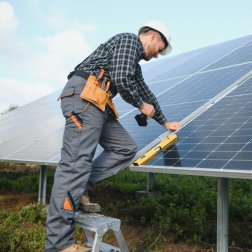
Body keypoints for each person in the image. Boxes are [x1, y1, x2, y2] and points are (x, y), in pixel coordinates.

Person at [45, 20, 180, 252]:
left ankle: (82, 189)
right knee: (75, 164)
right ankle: (58, 243)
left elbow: (147, 94)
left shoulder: (135, 64)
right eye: (159, 50)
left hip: (99, 103)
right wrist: (139, 104)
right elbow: (121, 77)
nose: (157, 56)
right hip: (85, 98)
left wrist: (164, 121)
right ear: (154, 37)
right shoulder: (129, 40)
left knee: (125, 147)